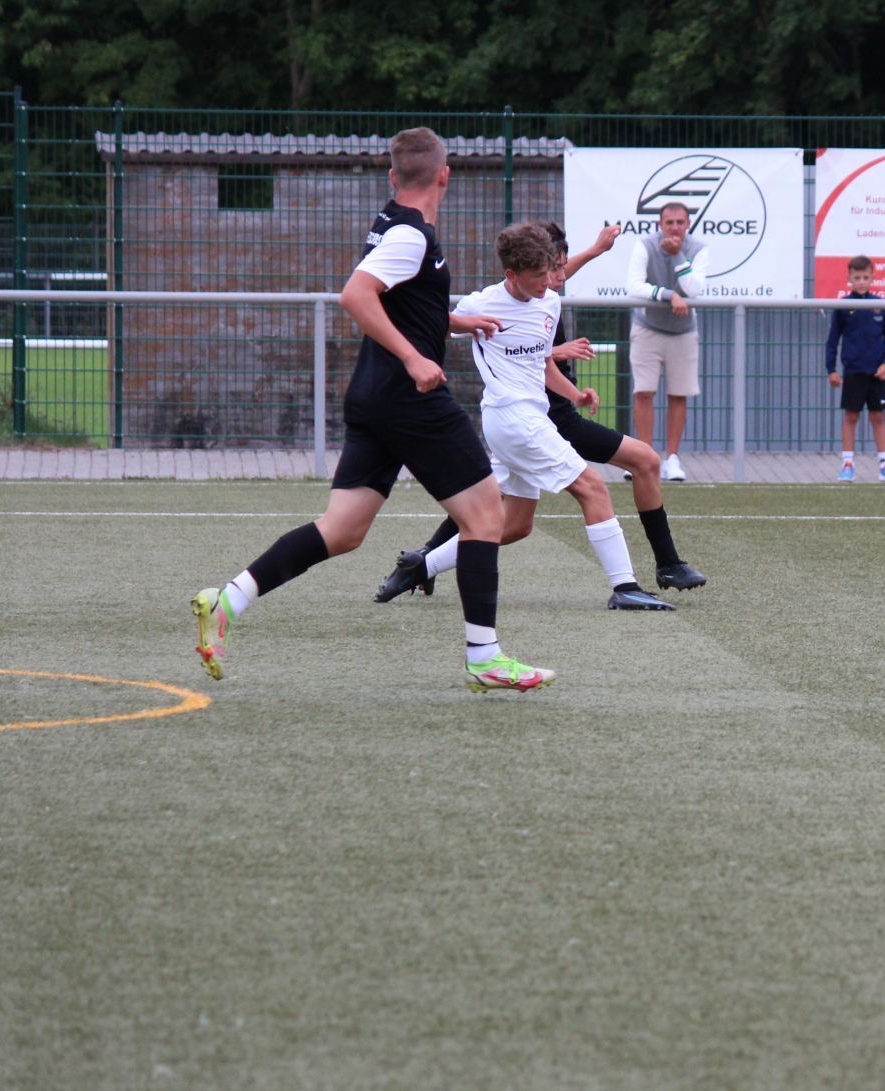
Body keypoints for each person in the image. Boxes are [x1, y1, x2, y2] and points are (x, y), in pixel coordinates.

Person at [190, 128, 554, 693]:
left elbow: (400, 302)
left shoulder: (391, 224)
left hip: (373, 396)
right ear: (445, 175)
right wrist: (414, 357)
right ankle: (485, 657)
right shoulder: (411, 235)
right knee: (486, 517)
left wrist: (456, 322)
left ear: (392, 176)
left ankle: (228, 600)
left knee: (342, 530)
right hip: (409, 399)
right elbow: (356, 295)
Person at [376, 220, 705, 601]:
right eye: (539, 275)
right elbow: (420, 320)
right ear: (511, 275)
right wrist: (462, 322)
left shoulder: (549, 301)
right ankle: (625, 587)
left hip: (531, 416)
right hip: (512, 417)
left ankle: (422, 564)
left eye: (551, 271)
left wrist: (576, 395)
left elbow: (544, 363)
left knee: (517, 525)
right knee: (592, 487)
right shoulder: (483, 303)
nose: (549, 281)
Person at [626, 201, 706, 482]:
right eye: (669, 222)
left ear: (688, 224)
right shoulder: (645, 245)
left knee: (678, 394)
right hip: (647, 328)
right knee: (644, 392)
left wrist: (677, 256)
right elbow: (634, 286)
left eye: (680, 222)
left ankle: (672, 460)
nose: (674, 227)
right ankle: (644, 458)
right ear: (660, 224)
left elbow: (694, 289)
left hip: (683, 332)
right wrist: (668, 295)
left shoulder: (699, 249)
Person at [824, 255, 885, 482]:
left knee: (877, 416)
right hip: (853, 371)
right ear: (849, 278)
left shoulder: (881, 306)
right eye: (857, 277)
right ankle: (847, 464)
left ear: (873, 278)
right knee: (851, 416)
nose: (861, 282)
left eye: (865, 277)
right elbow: (832, 341)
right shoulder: (843, 307)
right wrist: (831, 368)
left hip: (876, 373)